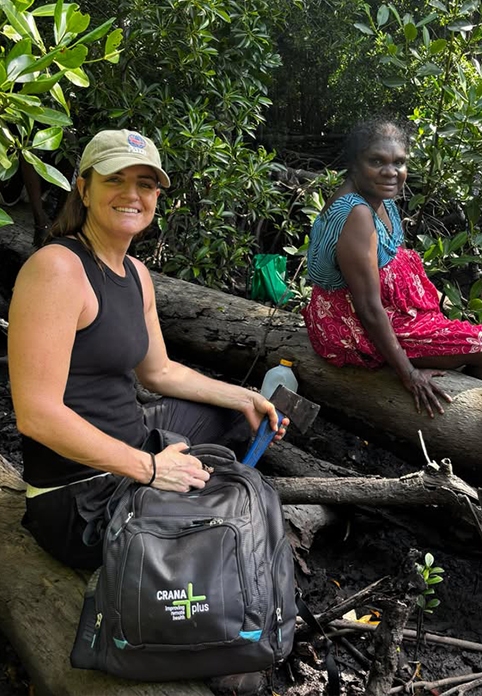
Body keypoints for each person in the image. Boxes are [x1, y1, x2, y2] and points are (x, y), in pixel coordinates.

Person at [8, 128, 288, 570]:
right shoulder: (56, 270)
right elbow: (37, 414)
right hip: (78, 496)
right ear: (83, 188)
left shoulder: (136, 273)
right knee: (226, 537)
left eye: (144, 183)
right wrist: (151, 469)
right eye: (115, 179)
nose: (131, 194)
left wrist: (244, 396)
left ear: (156, 195)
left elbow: (159, 373)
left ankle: (190, 492)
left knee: (239, 417)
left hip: (133, 448)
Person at [302, 117, 482, 418]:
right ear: (355, 164)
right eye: (377, 161)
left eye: (399, 162)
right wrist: (409, 374)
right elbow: (368, 308)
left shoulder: (378, 199)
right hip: (352, 327)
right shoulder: (356, 213)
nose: (391, 172)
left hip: (386, 312)